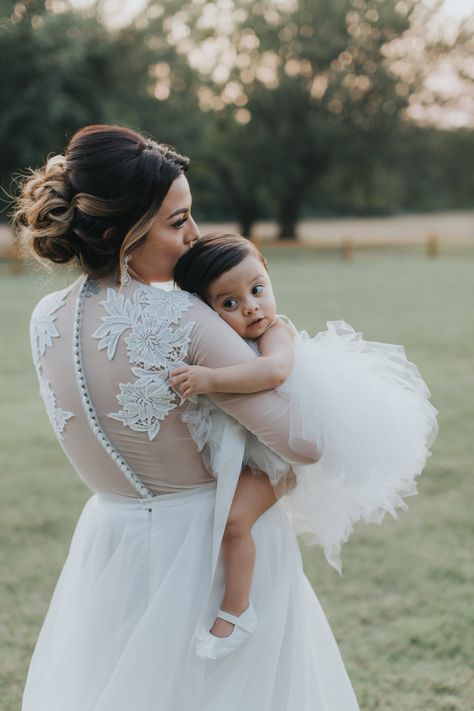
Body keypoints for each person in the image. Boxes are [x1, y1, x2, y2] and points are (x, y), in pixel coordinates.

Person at [13, 124, 361, 711]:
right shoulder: (182, 317)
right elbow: (306, 440)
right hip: (209, 547)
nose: (194, 238)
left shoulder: (46, 316)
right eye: (178, 222)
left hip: (110, 541)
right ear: (120, 229)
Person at [171, 233, 438, 659]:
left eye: (257, 290)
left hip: (283, 457)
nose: (251, 307)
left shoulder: (277, 331)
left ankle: (237, 610)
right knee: (222, 516)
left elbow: (274, 372)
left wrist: (212, 380)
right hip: (257, 448)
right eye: (229, 304)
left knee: (235, 522)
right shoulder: (222, 340)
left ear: (269, 279)